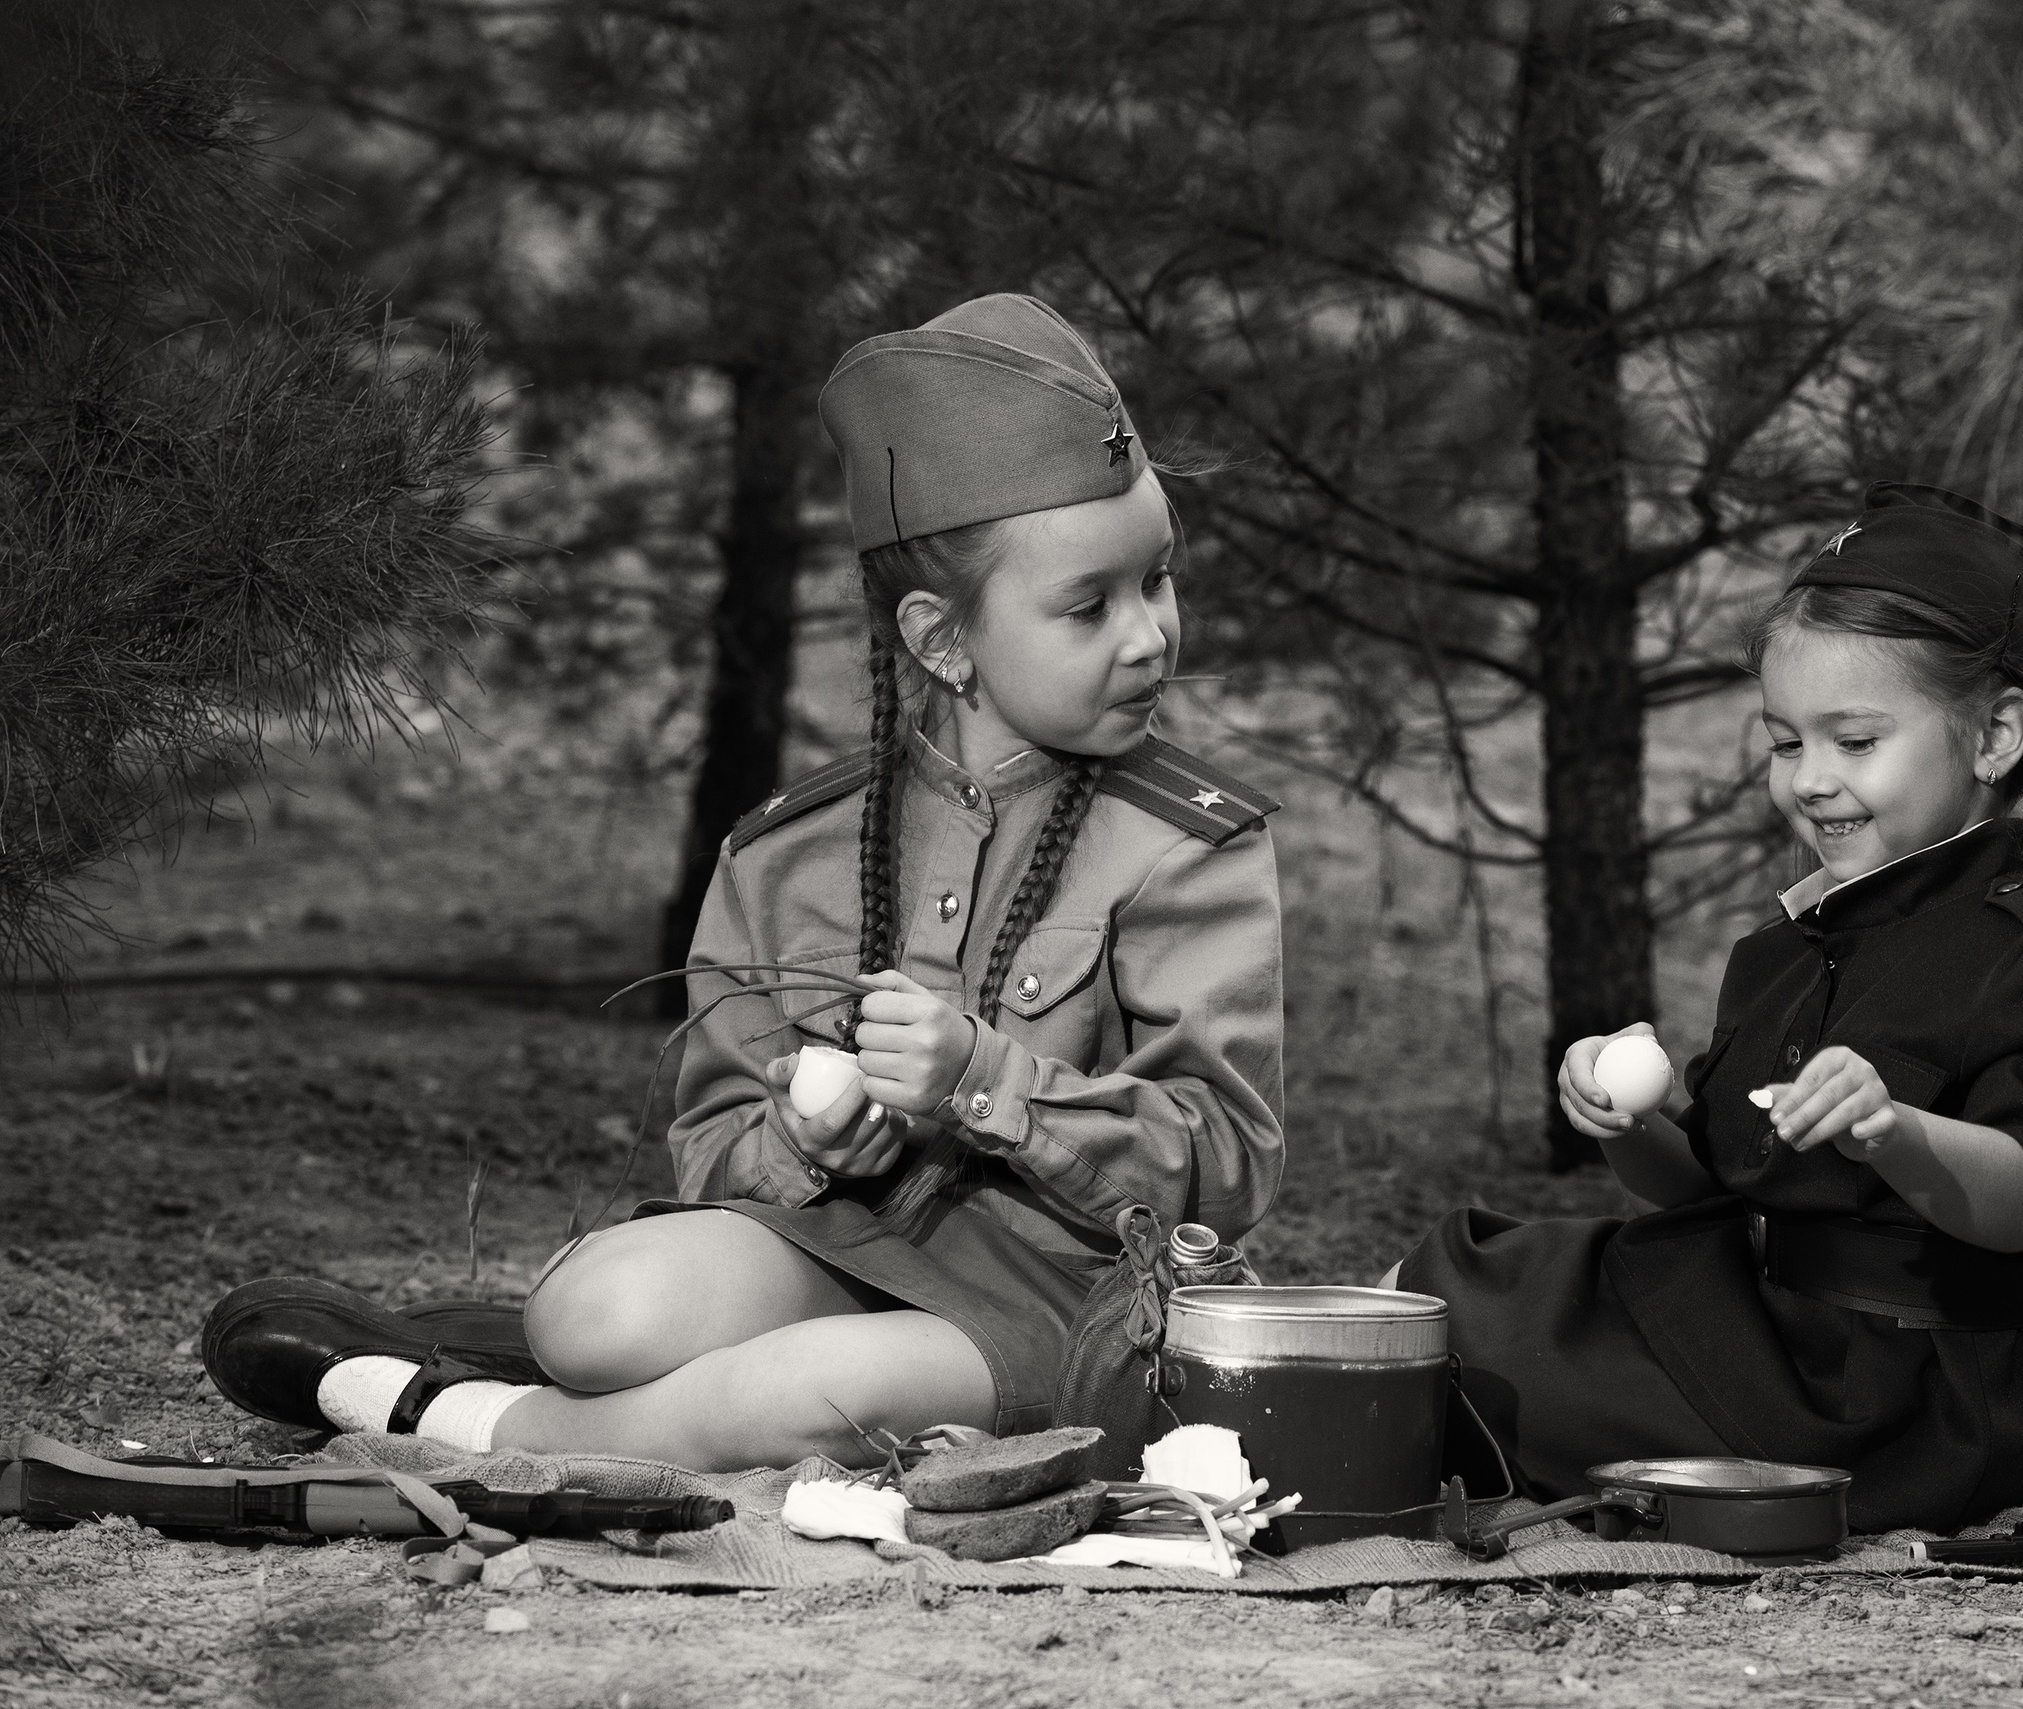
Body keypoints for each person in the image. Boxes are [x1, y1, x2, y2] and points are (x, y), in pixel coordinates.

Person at [199, 294, 1287, 1471]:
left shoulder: (1188, 846)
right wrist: (814, 1135)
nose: (1148, 635)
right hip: (838, 1247)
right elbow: (712, 1150)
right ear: (941, 639)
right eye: (1090, 604)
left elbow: (1224, 1168)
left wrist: (985, 1078)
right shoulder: (790, 852)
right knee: (587, 1312)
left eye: (1157, 580)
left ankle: (452, 1416)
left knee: (804, 1391)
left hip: (1072, 1304)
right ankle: (628, 1385)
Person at [1395, 482, 2023, 1534]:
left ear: (1996, 734)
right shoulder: (1790, 945)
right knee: (1453, 1275)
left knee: (1467, 1351)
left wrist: (1899, 1133)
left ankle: (1365, 1449)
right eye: (1787, 743)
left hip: (1894, 1402)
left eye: (1854, 740)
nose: (1811, 780)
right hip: (1768, 1330)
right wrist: (1632, 1122)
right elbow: (1703, 1182)